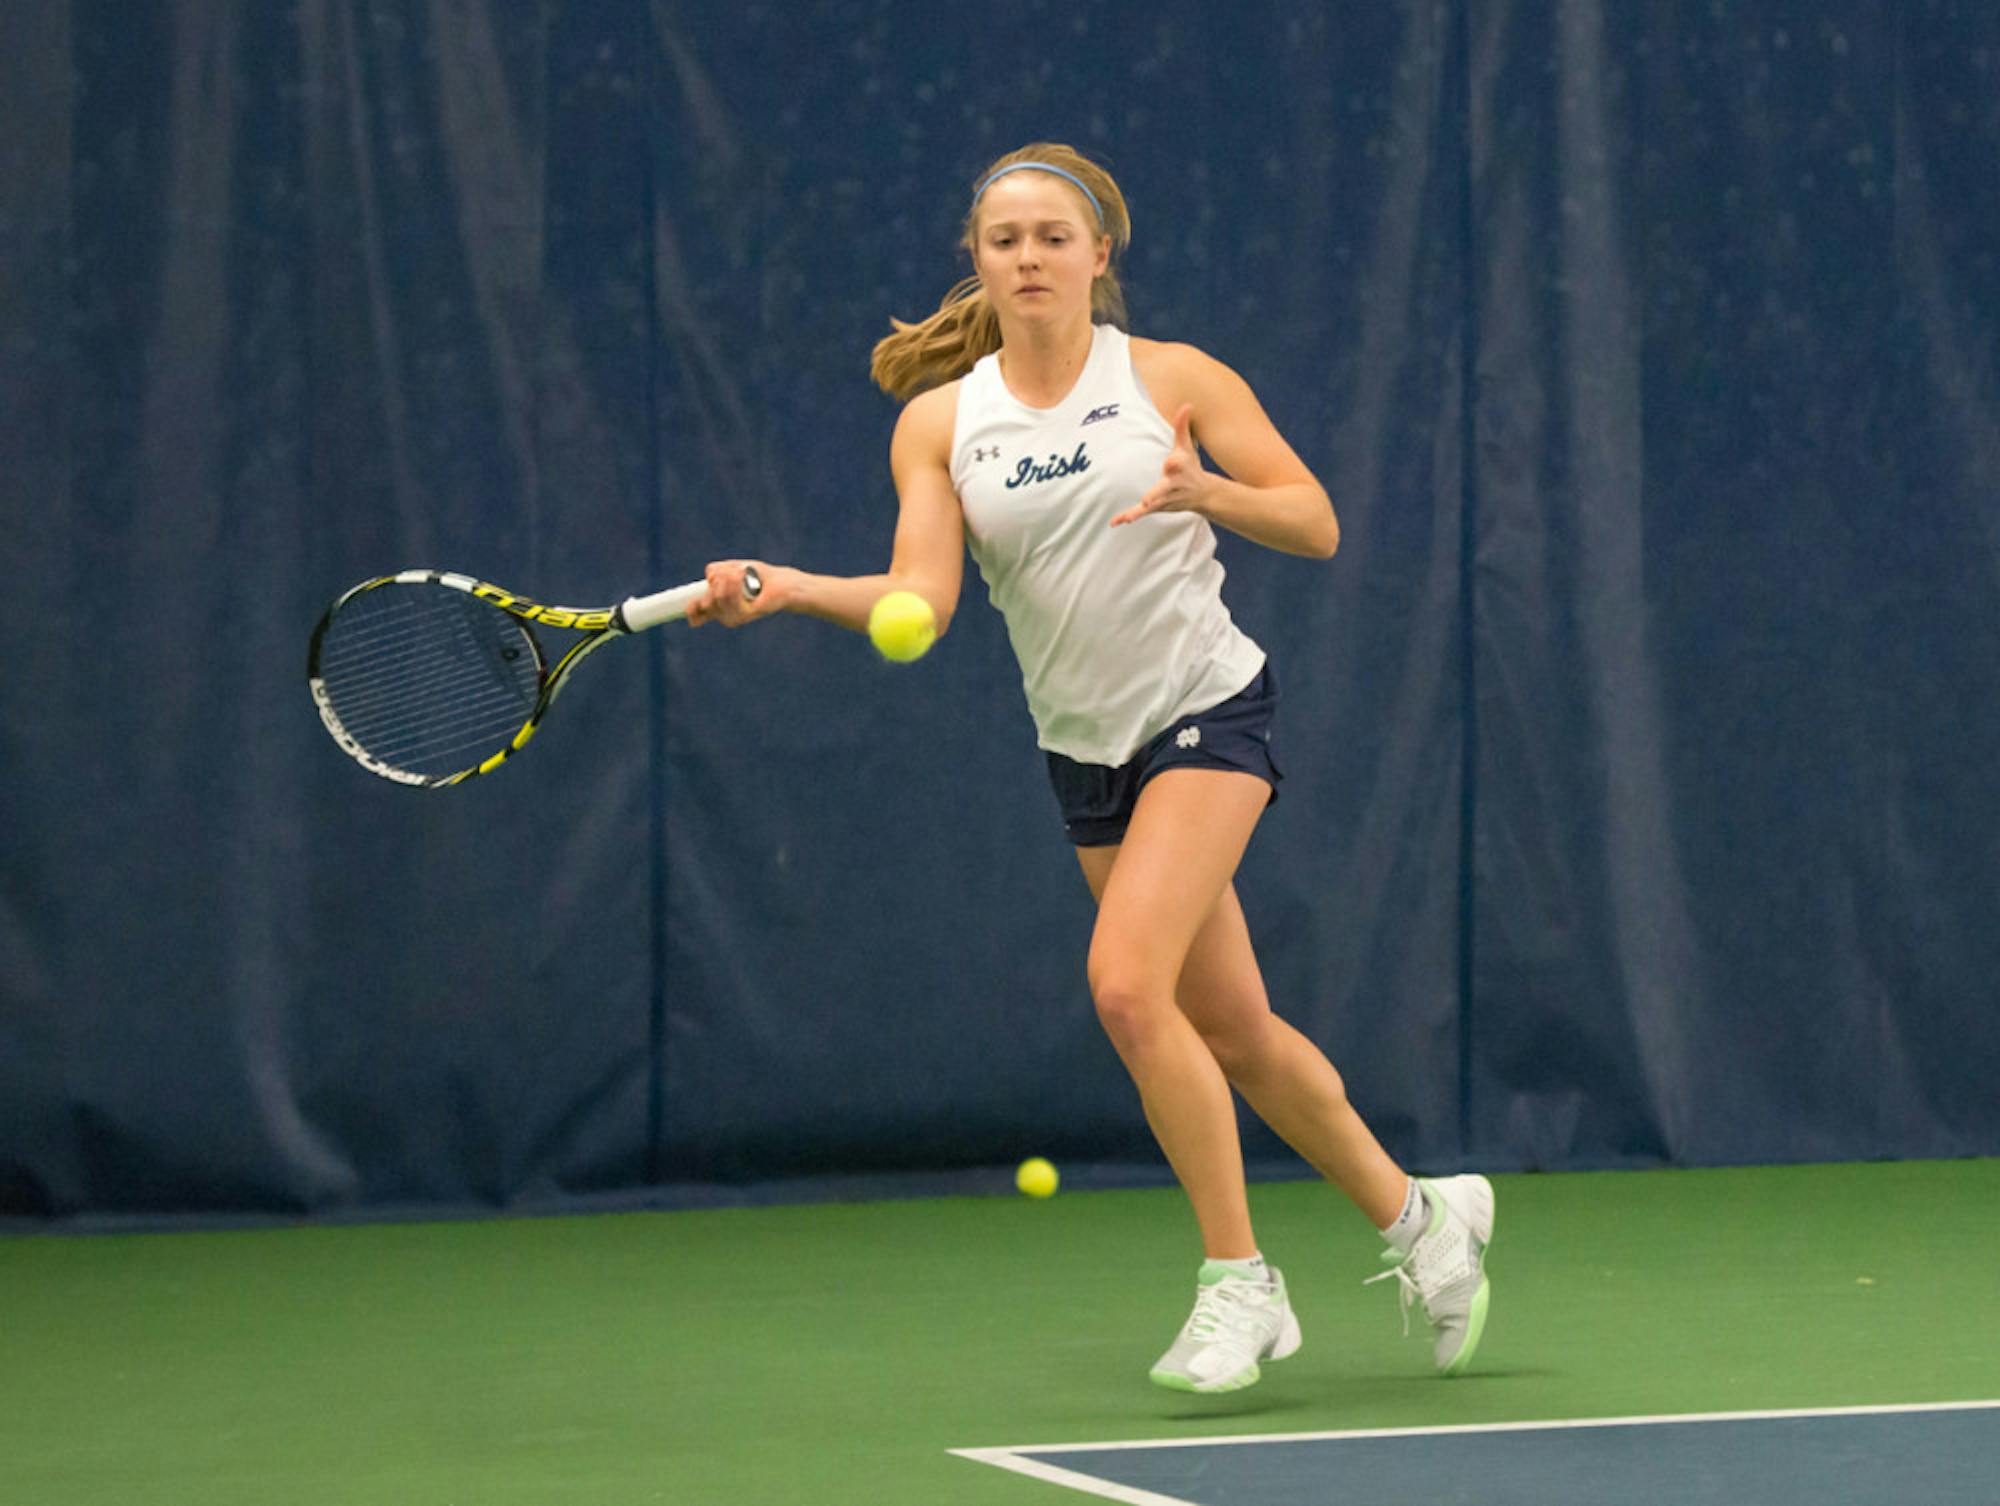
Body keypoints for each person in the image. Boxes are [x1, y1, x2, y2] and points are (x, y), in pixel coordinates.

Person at [689, 142, 1493, 1393]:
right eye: (1004, 239)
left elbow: (1318, 520)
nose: (1028, 258)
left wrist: (1203, 490)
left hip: (1206, 710)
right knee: (1234, 1029)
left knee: (1127, 988)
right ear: (976, 260)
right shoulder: (941, 424)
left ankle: (1240, 1285)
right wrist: (790, 588)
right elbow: (922, 600)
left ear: (1097, 256)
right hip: (1085, 750)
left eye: (1052, 238)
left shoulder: (1168, 378)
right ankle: (1417, 1219)